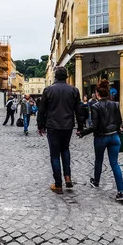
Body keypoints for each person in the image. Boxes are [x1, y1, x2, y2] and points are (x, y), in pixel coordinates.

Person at [79, 79, 123, 202]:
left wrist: (83, 132)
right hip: (114, 137)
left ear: (97, 94)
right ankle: (121, 191)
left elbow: (94, 125)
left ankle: (96, 181)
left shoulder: (95, 106)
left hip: (101, 137)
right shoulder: (115, 104)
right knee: (115, 164)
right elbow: (119, 122)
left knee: (98, 160)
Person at [37, 66, 82, 194]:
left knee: (55, 154)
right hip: (67, 125)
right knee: (65, 150)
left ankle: (58, 184)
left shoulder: (48, 90)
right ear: (66, 76)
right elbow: (79, 110)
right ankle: (67, 177)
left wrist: (40, 126)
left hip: (53, 126)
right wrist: (80, 127)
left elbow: (42, 110)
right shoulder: (74, 90)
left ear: (55, 76)